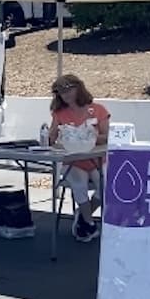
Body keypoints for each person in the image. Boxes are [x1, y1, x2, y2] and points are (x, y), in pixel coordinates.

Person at [48, 74, 110, 242]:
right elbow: (52, 140)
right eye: (61, 91)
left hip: (97, 159)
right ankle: (89, 223)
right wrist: (54, 134)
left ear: (79, 88)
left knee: (105, 185)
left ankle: (83, 214)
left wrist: (87, 137)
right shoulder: (59, 113)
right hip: (73, 161)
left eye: (69, 89)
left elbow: (107, 136)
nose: (65, 94)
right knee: (79, 183)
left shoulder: (98, 110)